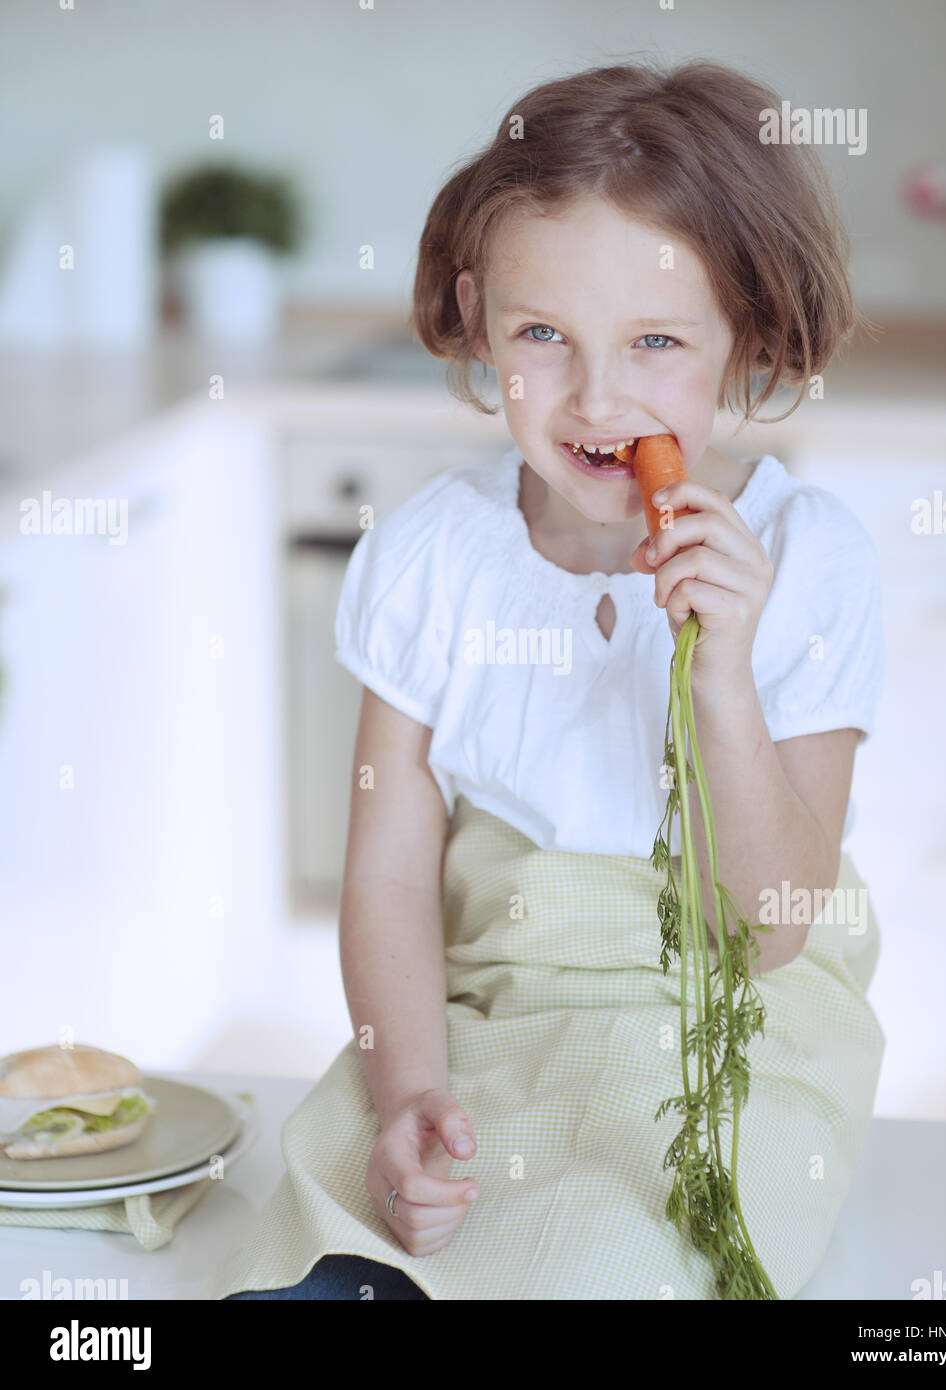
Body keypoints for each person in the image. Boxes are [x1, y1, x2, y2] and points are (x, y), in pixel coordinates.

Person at [215, 57, 885, 1302]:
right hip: (488, 1007)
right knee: (346, 1201)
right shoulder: (430, 556)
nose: (596, 395)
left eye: (657, 341)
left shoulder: (805, 562)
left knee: (612, 1239)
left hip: (724, 1023)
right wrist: (414, 1086)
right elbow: (392, 874)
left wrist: (723, 677)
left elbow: (773, 927)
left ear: (747, 327)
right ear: (475, 315)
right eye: (542, 335)